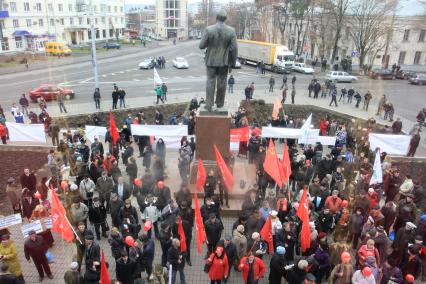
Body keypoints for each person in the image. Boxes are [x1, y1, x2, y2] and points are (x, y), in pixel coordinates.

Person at [199, 10, 237, 111]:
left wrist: (210, 42)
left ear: (216, 18)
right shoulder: (231, 31)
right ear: (225, 19)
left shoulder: (209, 29)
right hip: (224, 62)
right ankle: (220, 104)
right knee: (222, 82)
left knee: (210, 81)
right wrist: (232, 63)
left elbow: (201, 46)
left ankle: (209, 104)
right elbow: (234, 48)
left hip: (211, 61)